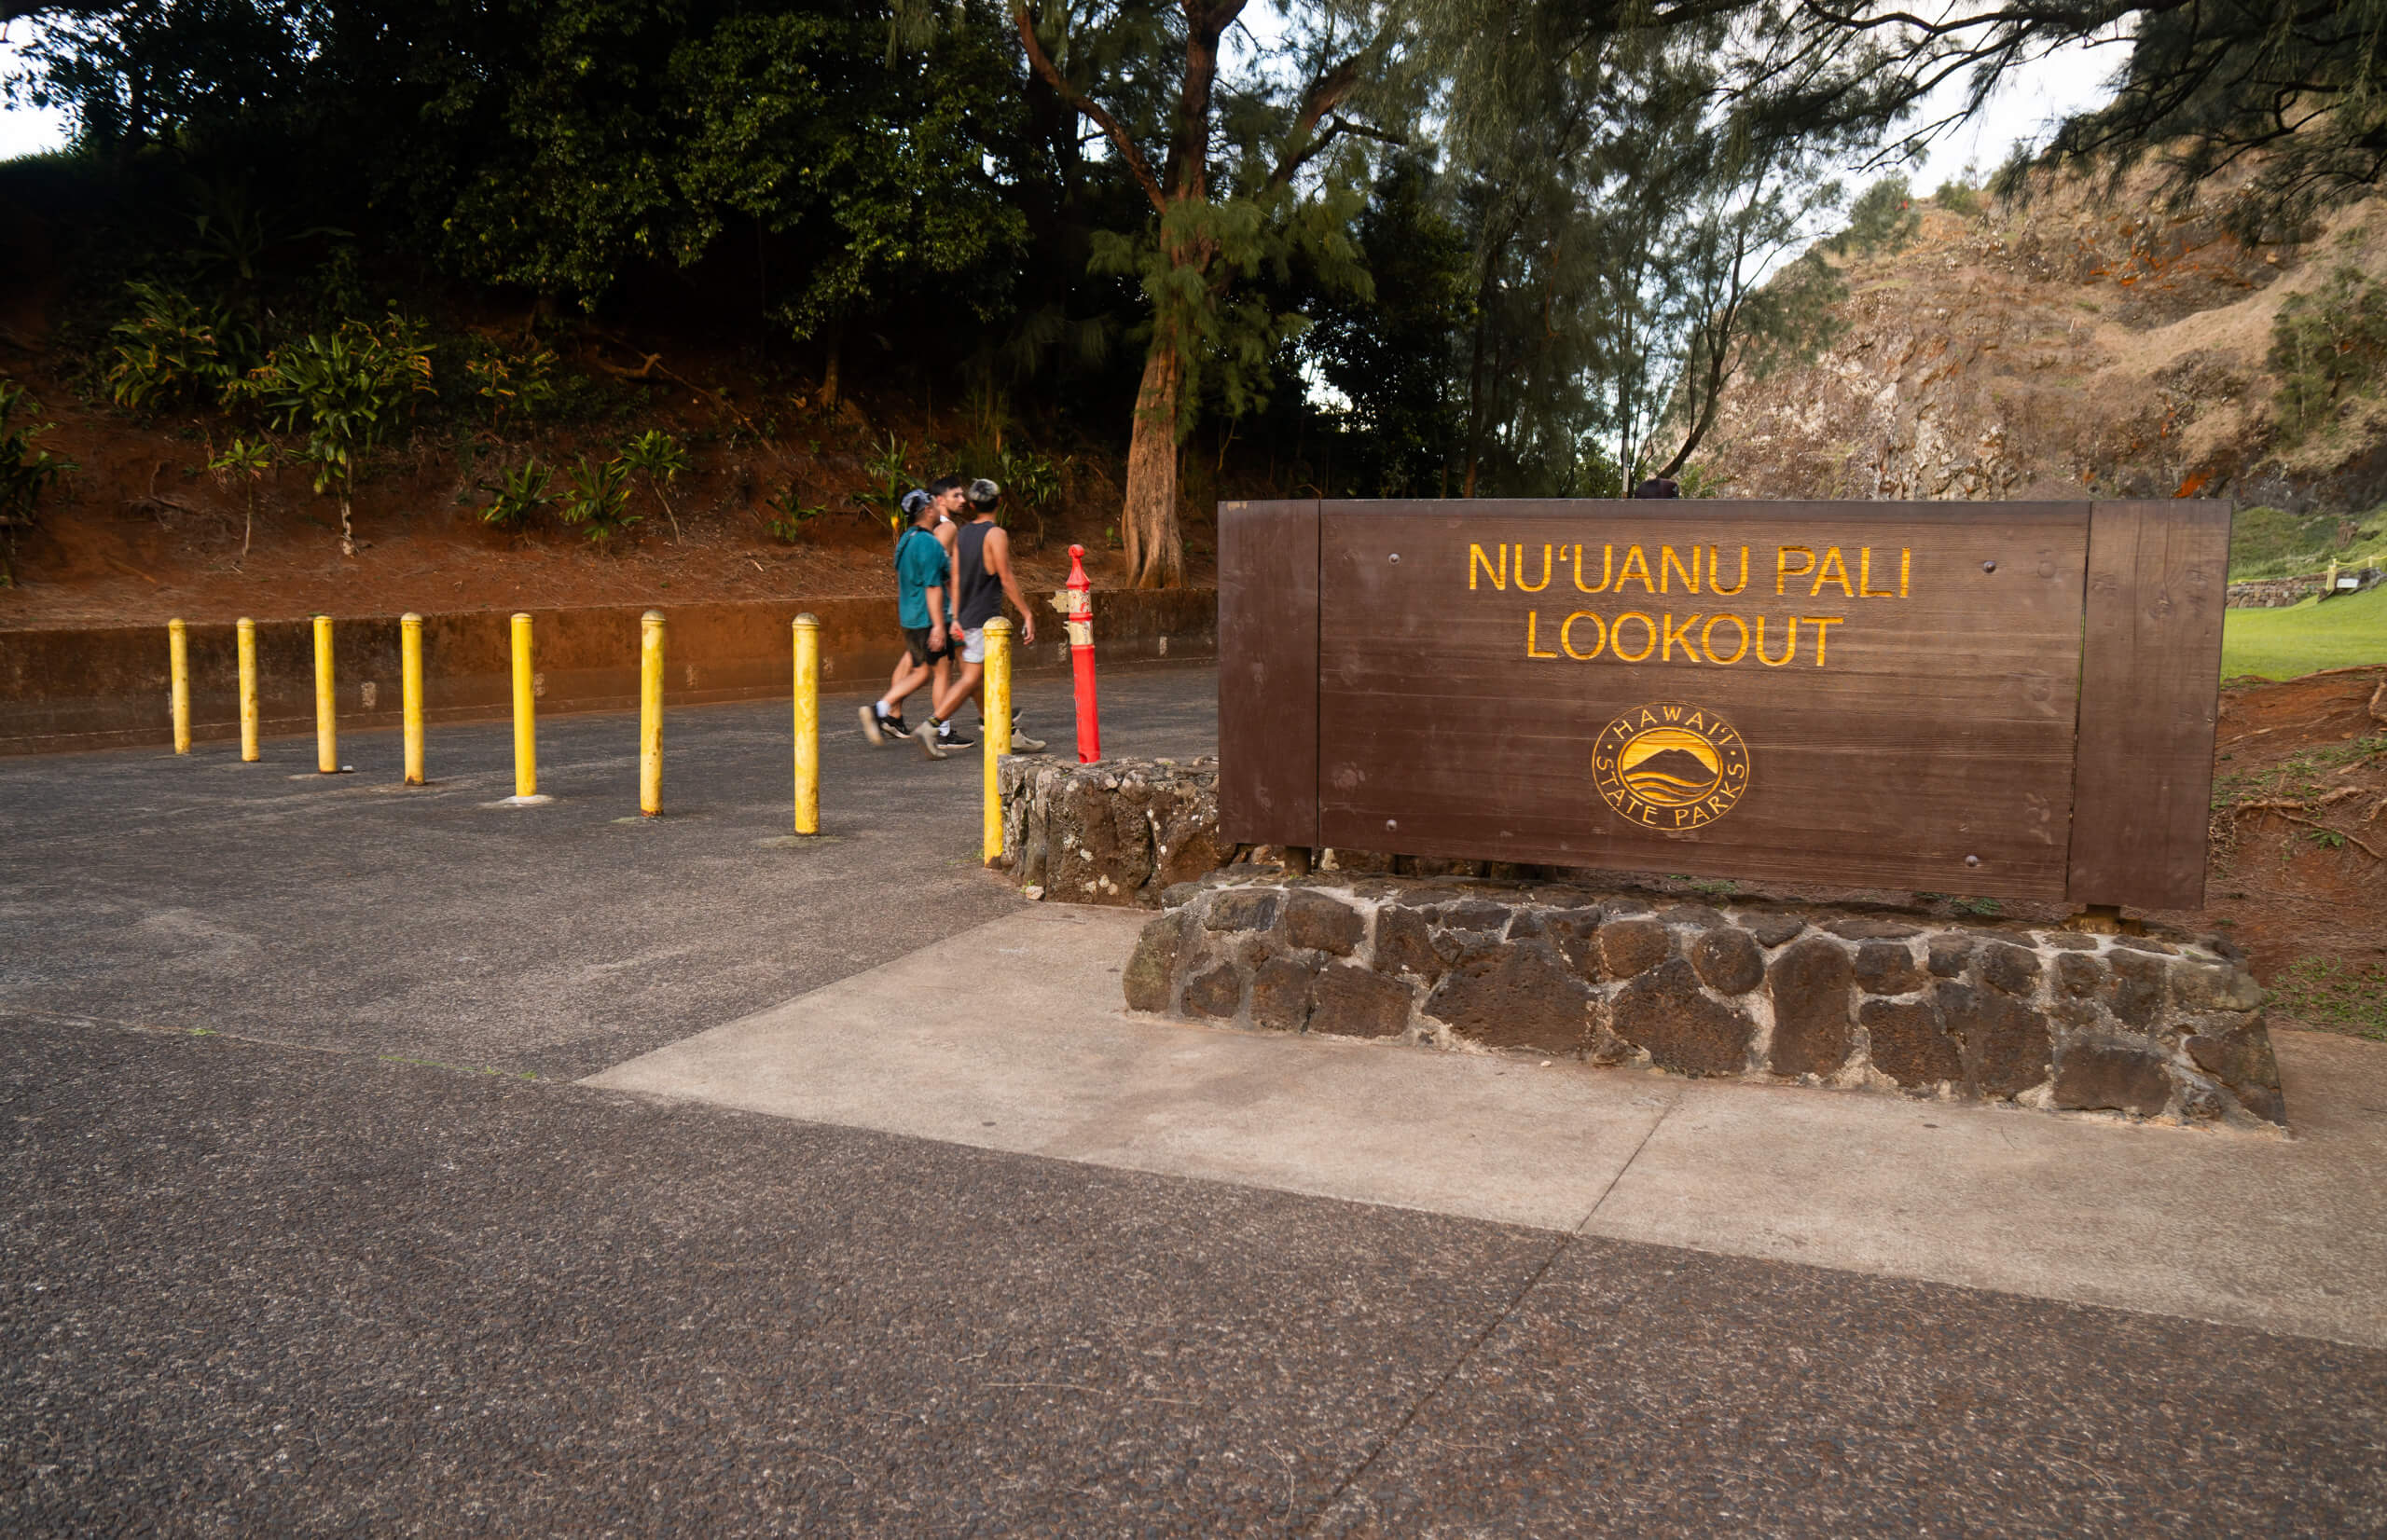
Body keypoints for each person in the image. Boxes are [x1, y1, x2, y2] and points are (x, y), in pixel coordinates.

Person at [918, 477, 1044, 758]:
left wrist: (955, 616)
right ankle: (931, 726)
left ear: (972, 505)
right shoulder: (995, 534)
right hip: (983, 619)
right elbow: (1006, 576)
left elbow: (958, 576)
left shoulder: (962, 534)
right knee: (972, 679)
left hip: (963, 617)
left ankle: (1004, 732)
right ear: (1000, 502)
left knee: (977, 679)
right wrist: (1026, 612)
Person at [859, 478, 965, 746]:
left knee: (921, 671)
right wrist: (941, 625)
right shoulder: (929, 543)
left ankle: (886, 712)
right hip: (927, 617)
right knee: (940, 672)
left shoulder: (906, 540)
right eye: (932, 504)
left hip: (909, 615)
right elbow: (933, 586)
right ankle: (935, 729)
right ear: (928, 511)